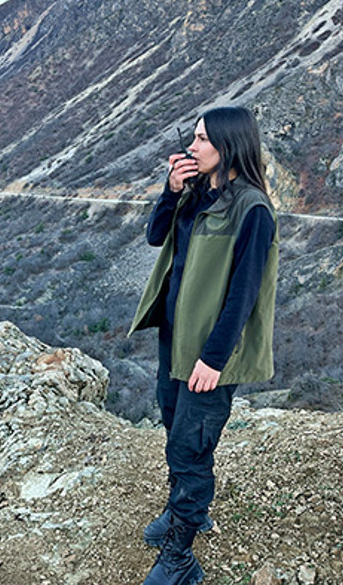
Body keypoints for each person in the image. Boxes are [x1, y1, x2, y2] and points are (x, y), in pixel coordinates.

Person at [129, 106, 277, 585]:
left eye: (201, 139)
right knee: (177, 432)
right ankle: (183, 511)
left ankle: (180, 557)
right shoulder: (196, 193)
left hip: (209, 353)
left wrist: (213, 360)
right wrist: (171, 191)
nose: (191, 148)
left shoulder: (252, 210)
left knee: (190, 448)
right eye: (192, 138)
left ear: (228, 146)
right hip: (176, 340)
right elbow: (155, 236)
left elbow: (244, 293)